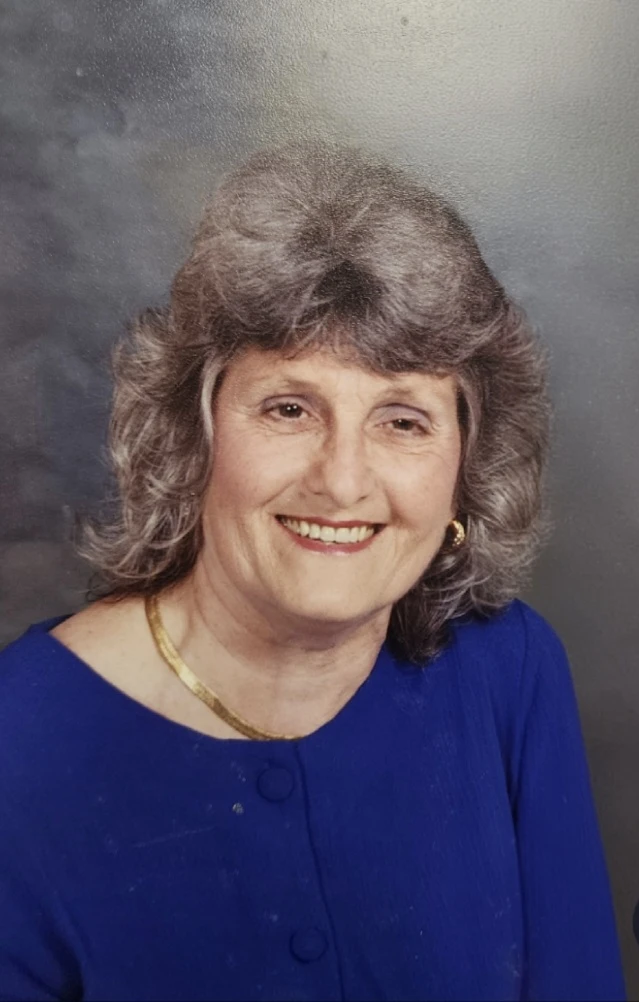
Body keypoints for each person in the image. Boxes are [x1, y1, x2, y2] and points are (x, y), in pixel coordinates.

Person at [0, 142, 626, 1002]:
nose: (341, 481)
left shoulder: (507, 669)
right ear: (194, 435)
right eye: (289, 408)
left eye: (402, 420)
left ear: (465, 466)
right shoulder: (23, 738)